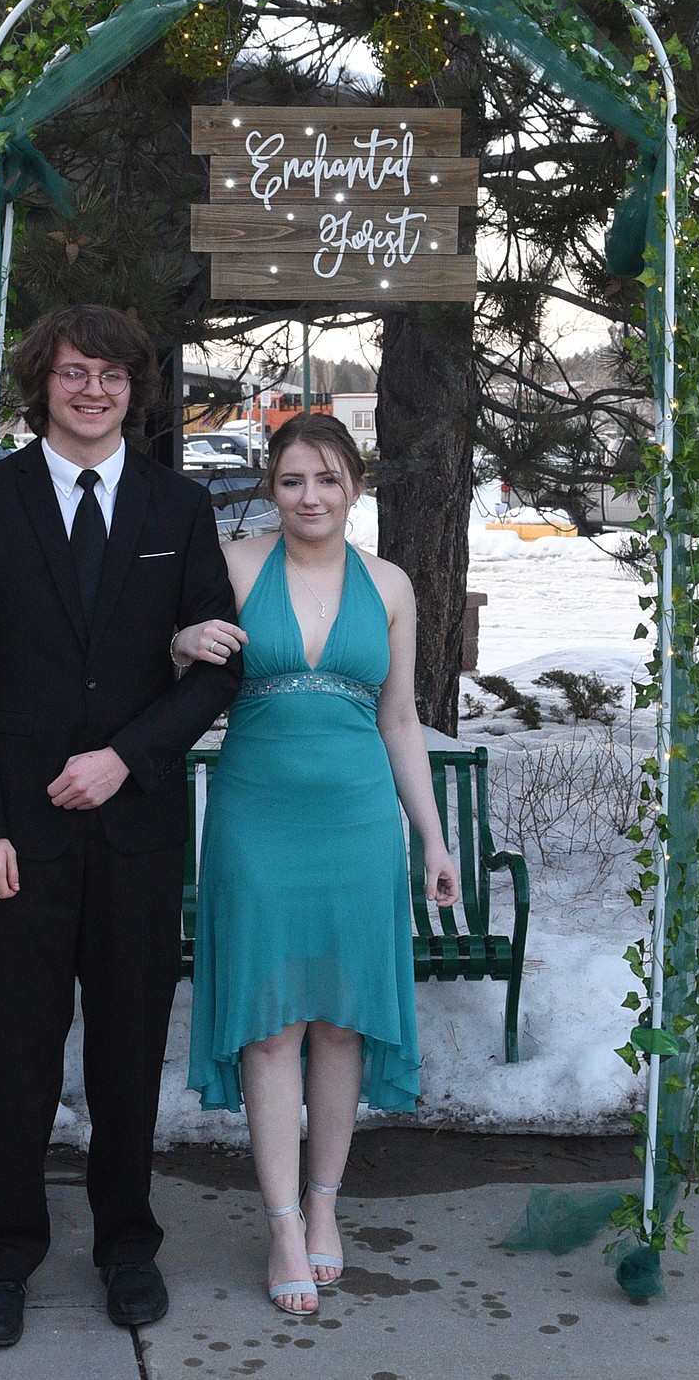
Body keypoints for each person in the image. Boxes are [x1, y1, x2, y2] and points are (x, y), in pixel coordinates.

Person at [0, 302, 242, 1349]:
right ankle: (4, 1255)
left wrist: (128, 756)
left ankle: (128, 1246)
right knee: (16, 1057)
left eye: (112, 373)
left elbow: (219, 666)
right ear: (43, 382)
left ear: (136, 389)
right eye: (74, 371)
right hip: (15, 839)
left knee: (122, 1052)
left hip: (137, 831)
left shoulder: (178, 506)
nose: (93, 388)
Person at [178, 411, 460, 1316]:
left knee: (340, 1023)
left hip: (357, 822)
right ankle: (282, 1225)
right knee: (271, 1028)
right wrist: (179, 642)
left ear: (355, 488)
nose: (311, 497)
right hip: (256, 819)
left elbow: (401, 720)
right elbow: (164, 665)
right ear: (272, 485)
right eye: (294, 479)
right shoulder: (233, 566)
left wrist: (434, 837)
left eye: (329, 480)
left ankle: (327, 1207)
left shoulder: (392, 585)